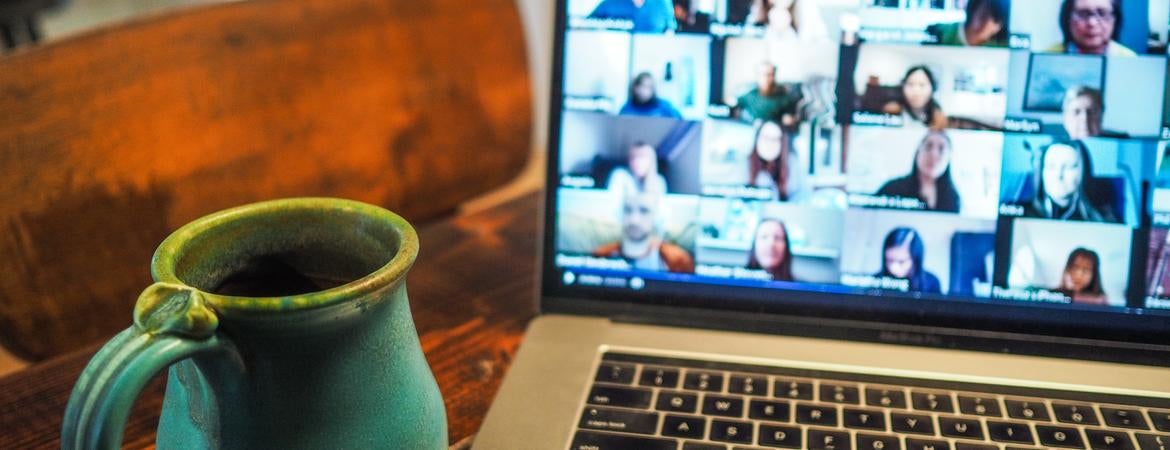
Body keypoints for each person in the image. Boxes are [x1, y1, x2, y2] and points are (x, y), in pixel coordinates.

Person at [592, 192, 694, 273]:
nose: (634, 220)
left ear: (657, 217)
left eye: (644, 211)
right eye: (627, 210)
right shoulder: (602, 254)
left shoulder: (677, 260)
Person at [1022, 141, 1119, 223]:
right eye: (1051, 167)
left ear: (1083, 172)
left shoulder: (1103, 219)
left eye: (1069, 167)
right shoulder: (1021, 212)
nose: (1058, 175)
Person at [876, 131, 961, 213]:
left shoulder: (953, 198)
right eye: (928, 146)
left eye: (941, 149)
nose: (933, 154)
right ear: (918, 152)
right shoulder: (891, 189)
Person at [1046, 0, 1136, 57]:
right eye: (1083, 14)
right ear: (1067, 18)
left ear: (1115, 19)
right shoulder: (1047, 57)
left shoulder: (1128, 59)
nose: (1092, 23)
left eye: (1102, 13)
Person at [748, 120, 806, 202]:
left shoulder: (793, 166)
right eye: (765, 137)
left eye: (775, 139)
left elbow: (802, 199)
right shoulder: (744, 166)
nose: (769, 143)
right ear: (757, 139)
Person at [734, 62, 803, 126]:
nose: (767, 78)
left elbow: (789, 116)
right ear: (758, 76)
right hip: (751, 129)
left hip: (773, 133)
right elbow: (733, 103)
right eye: (764, 74)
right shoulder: (749, 95)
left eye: (771, 75)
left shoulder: (783, 98)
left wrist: (789, 119)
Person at [877, 227, 942, 294]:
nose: (893, 268)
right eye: (889, 260)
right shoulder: (876, 281)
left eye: (901, 262)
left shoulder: (931, 282)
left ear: (915, 258)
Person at [881, 66, 947, 130]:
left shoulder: (938, 116)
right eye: (910, 84)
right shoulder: (892, 109)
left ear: (932, 88)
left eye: (922, 85)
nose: (916, 91)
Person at [926, 0, 1010, 47]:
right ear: (973, 9)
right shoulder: (939, 33)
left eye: (995, 20)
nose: (986, 24)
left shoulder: (1000, 48)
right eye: (983, 15)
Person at [589, 0, 678, 33]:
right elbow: (586, 26)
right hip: (612, 61)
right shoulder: (609, 4)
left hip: (652, 60)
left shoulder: (663, 3)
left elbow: (670, 31)